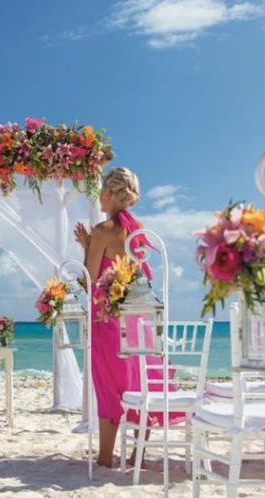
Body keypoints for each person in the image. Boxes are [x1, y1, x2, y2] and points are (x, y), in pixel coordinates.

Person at [74, 168, 179, 468]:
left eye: (101, 193)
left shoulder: (103, 230)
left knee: (109, 385)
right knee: (139, 382)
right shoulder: (139, 229)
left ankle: (106, 457)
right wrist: (90, 246)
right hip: (139, 320)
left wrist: (87, 250)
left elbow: (90, 280)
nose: (99, 199)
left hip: (107, 320)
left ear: (109, 193)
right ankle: (137, 455)